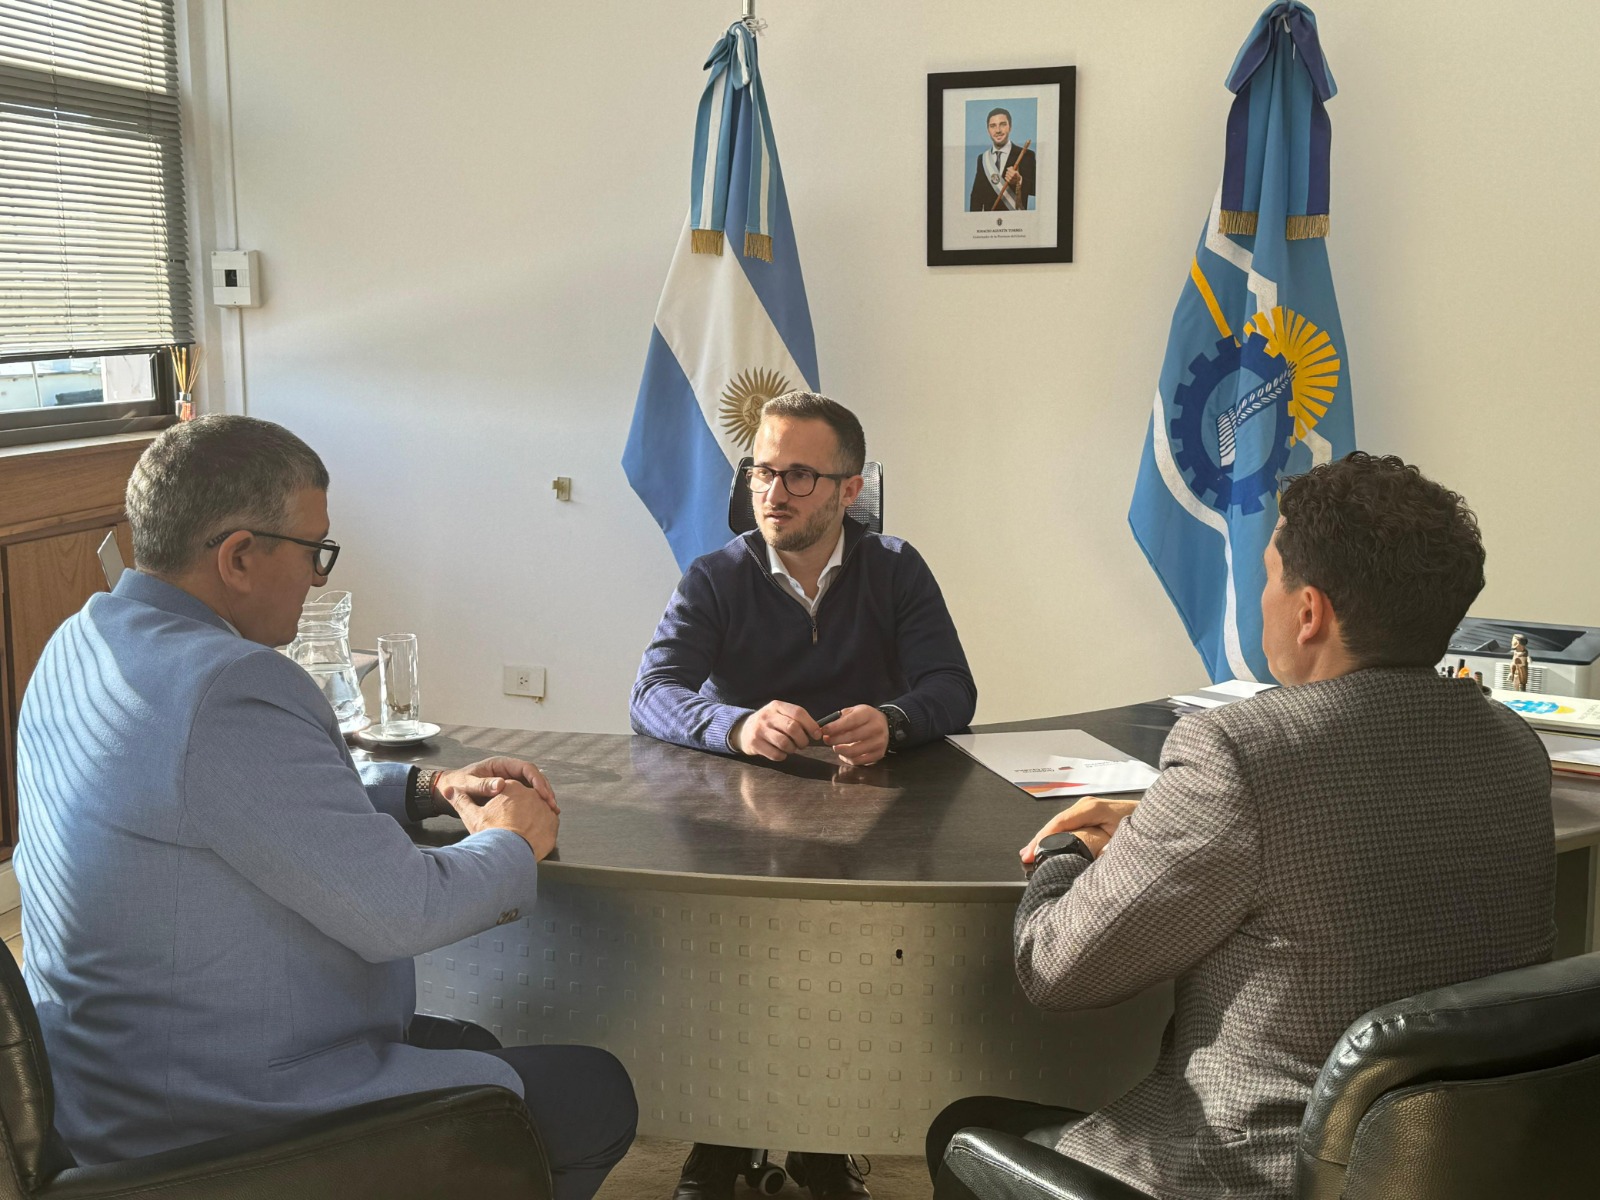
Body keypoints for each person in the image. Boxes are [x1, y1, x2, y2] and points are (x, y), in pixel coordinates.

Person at [14, 416, 635, 1200]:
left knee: (472, 1040)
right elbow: (399, 913)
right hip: (215, 1119)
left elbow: (233, 800)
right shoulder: (229, 686)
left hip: (110, 1081)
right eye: (315, 551)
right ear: (239, 556)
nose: (320, 579)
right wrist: (513, 843)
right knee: (592, 1092)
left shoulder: (85, 640)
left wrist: (428, 788)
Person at [928, 453, 1555, 1199]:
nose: (1264, 598)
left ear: (1310, 611)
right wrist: (1169, 817)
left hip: (1255, 1174)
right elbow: (1342, 822)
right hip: (1454, 1168)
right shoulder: (1514, 746)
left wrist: (1068, 848)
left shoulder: (1242, 753)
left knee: (960, 1130)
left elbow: (1053, 969)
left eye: (1268, 578)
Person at [631, 391, 977, 1199]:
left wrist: (894, 720)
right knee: (733, 970)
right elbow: (652, 692)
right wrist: (736, 725)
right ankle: (722, 1141)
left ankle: (828, 1142)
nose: (772, 493)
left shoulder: (896, 568)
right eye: (760, 471)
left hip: (869, 823)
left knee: (847, 973)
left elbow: (952, 689)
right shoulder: (716, 575)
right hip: (738, 829)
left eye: (797, 476)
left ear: (850, 489)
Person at [969, 107, 1036, 213]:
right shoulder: (982, 159)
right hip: (989, 226)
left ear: (1010, 127)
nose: (998, 130)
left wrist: (1020, 181)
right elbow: (976, 197)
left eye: (1003, 124)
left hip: (1017, 225)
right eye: (993, 126)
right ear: (988, 130)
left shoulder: (1027, 155)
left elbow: (1037, 189)